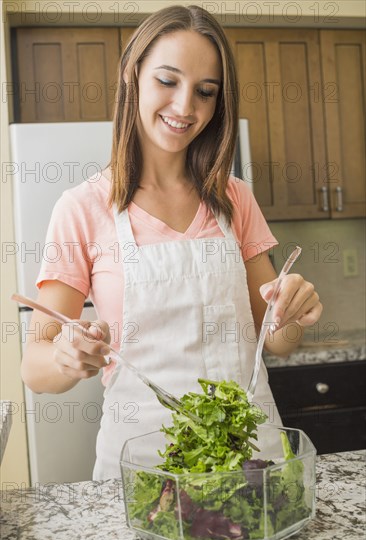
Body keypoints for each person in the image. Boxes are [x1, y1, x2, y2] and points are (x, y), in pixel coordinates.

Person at [21, 5, 322, 480]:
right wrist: (65, 356)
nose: (186, 107)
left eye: (206, 92)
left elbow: (278, 340)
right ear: (131, 74)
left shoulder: (234, 199)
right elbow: (35, 369)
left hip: (251, 461)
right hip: (143, 471)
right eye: (167, 81)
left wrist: (294, 306)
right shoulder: (82, 208)